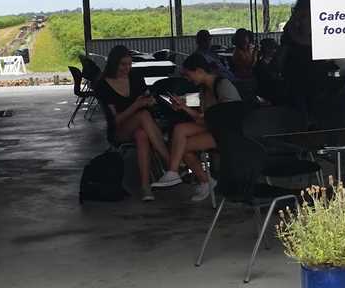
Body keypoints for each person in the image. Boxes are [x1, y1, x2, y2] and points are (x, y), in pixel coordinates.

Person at [153, 53, 242, 202]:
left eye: (188, 75)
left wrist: (187, 109)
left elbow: (231, 115)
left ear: (199, 71)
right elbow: (204, 118)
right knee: (180, 131)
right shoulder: (204, 90)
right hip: (214, 127)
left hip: (229, 131)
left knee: (182, 146)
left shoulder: (223, 85)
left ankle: (199, 179)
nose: (188, 79)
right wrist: (183, 107)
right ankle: (175, 172)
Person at [96, 45, 172, 201]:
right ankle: (171, 163)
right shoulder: (103, 85)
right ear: (113, 63)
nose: (127, 68)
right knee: (142, 115)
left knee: (142, 135)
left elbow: (146, 97)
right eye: (123, 64)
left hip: (141, 127)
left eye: (129, 64)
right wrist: (136, 106)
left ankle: (145, 187)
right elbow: (115, 121)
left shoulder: (135, 77)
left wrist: (149, 101)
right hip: (118, 130)